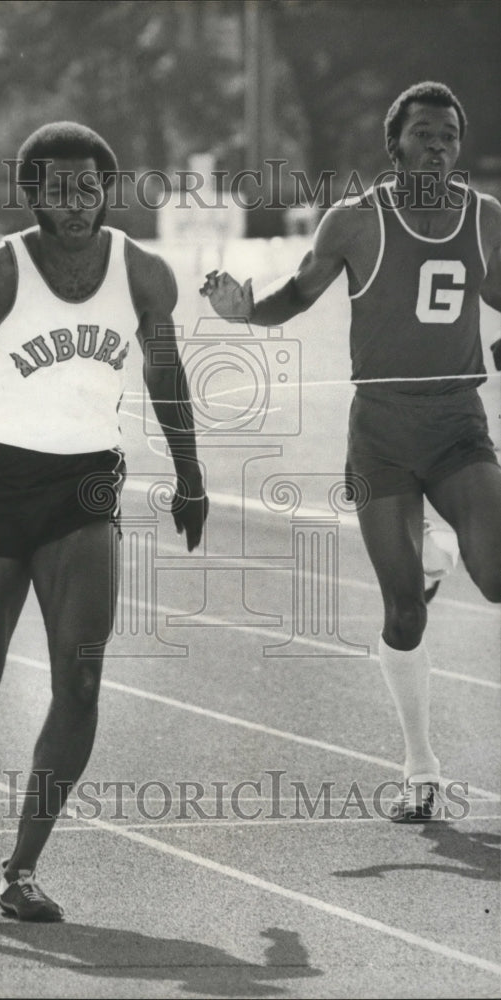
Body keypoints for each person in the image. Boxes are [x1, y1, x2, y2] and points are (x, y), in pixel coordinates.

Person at [0, 122, 208, 919]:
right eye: (57, 189)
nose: (76, 202)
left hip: (87, 487)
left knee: (81, 679)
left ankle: (20, 868)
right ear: (32, 196)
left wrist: (190, 476)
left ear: (106, 191)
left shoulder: (144, 274)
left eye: (89, 188)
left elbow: (165, 371)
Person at [203, 81, 501, 821]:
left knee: (496, 578)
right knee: (404, 615)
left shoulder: (484, 219)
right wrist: (246, 313)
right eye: (424, 132)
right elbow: (296, 295)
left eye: (449, 135)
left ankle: (438, 551)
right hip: (381, 438)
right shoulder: (354, 222)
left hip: (458, 425)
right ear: (393, 142)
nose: (438, 145)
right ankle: (420, 769)